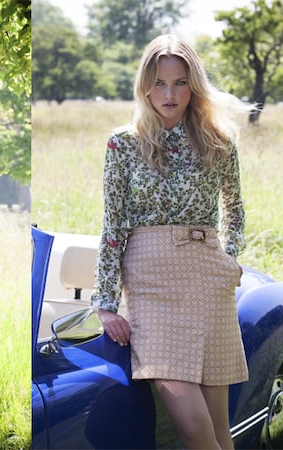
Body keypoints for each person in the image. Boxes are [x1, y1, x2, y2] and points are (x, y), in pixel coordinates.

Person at [90, 34, 251, 449]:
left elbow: (235, 210)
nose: (169, 93)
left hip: (208, 281)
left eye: (179, 83)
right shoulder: (122, 143)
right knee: (194, 428)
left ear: (193, 85)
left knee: (218, 429)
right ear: (145, 86)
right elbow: (114, 224)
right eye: (159, 83)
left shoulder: (218, 141)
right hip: (151, 285)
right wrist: (105, 303)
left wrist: (229, 260)